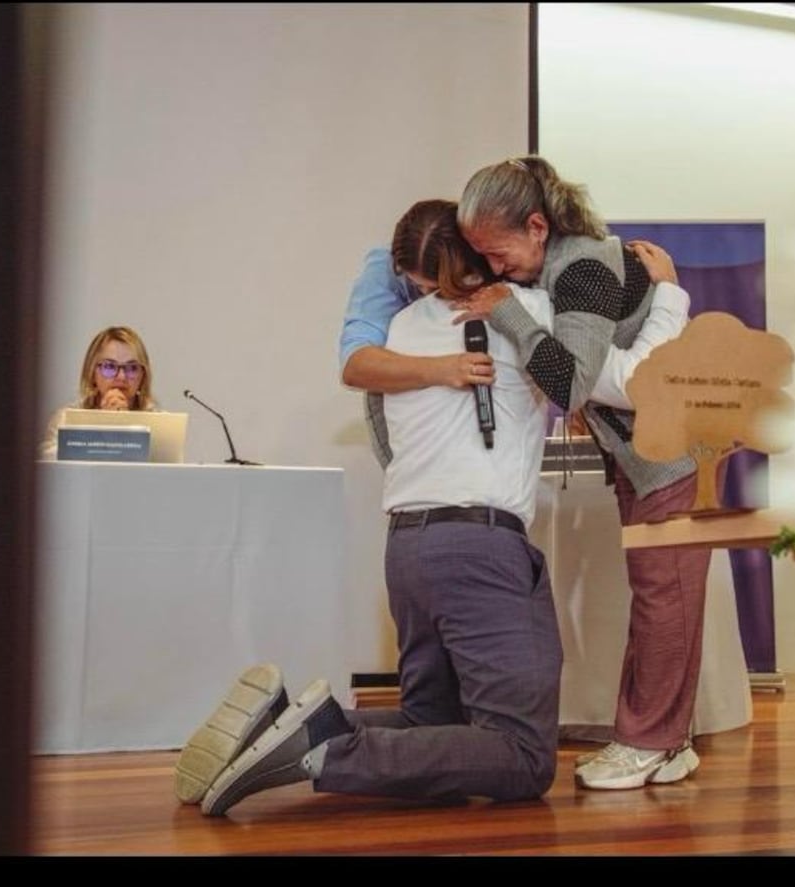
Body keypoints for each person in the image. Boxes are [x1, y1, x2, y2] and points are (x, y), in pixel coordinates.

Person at [179, 199, 561, 812]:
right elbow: (589, 374)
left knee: (429, 719)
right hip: (479, 544)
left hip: (407, 548)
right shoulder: (533, 314)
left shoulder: (400, 333)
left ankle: (276, 727)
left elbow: (357, 364)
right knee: (522, 755)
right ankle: (323, 748)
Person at [454, 155, 710, 790]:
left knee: (664, 599)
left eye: (497, 251)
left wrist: (506, 313)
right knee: (661, 596)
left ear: (537, 226)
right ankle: (663, 740)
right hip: (648, 453)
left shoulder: (584, 269)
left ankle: (649, 741)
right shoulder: (573, 264)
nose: (493, 270)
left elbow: (569, 382)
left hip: (670, 453)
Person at [38, 325, 157, 459]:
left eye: (132, 368)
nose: (121, 377)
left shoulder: (159, 422)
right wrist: (102, 427)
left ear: (143, 376)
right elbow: (47, 464)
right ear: (92, 373)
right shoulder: (67, 418)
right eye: (110, 366)